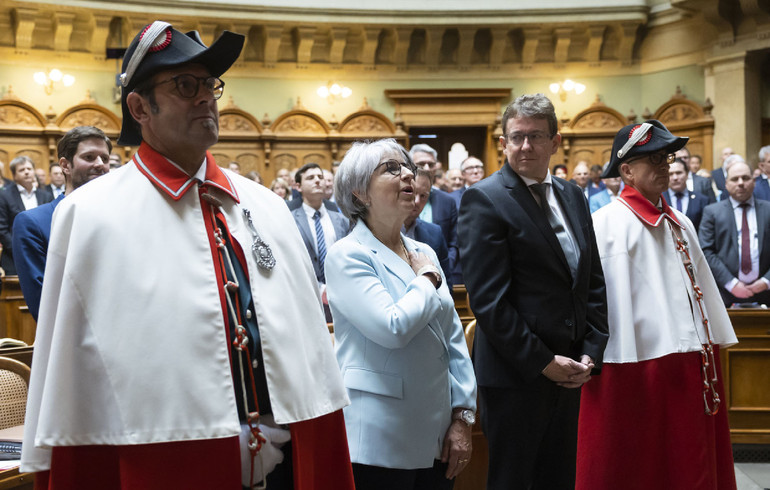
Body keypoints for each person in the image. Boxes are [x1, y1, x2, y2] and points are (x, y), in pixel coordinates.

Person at [21, 21, 353, 490]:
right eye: (184, 85)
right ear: (140, 107)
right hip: (162, 462)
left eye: (209, 85)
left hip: (287, 459)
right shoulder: (90, 215)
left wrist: (276, 426)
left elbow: (306, 350)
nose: (206, 98)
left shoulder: (267, 206)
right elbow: (80, 377)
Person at [459, 93, 608, 490]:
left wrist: (591, 351)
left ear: (555, 142)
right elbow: (490, 303)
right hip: (517, 376)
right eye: (516, 137)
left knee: (560, 479)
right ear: (504, 141)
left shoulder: (572, 195)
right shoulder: (484, 198)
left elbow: (591, 280)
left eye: (536, 137)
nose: (525, 146)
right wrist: (544, 362)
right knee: (515, 481)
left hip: (573, 370)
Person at [577, 119, 737, 490]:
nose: (665, 165)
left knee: (687, 461)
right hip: (632, 366)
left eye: (666, 157)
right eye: (653, 159)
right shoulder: (603, 224)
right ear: (627, 170)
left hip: (689, 361)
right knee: (634, 461)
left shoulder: (681, 221)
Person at [326, 138, 476, 490]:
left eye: (409, 167)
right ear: (359, 192)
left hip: (438, 431)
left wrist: (463, 416)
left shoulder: (423, 250)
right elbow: (392, 328)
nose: (408, 174)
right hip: (380, 436)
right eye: (392, 169)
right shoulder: (347, 255)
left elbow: (453, 337)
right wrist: (425, 279)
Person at [12, 126, 111, 321]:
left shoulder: (117, 216)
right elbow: (43, 305)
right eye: (89, 157)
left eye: (105, 158)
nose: (100, 164)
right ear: (65, 166)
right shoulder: (33, 222)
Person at [700, 160, 770, 306]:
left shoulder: (768, 210)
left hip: (766, 293)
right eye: (734, 179)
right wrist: (731, 284)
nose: (740, 183)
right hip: (726, 294)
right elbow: (706, 251)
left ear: (754, 181)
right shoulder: (712, 212)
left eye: (745, 178)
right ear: (726, 184)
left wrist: (766, 281)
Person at [290, 163, 350, 321]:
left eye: (320, 177)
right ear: (298, 187)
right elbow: (292, 261)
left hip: (343, 295)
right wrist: (320, 288)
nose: (317, 180)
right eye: (310, 178)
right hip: (306, 296)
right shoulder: (290, 220)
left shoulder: (341, 220)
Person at [0, 156, 53, 275]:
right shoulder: (4, 195)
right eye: (21, 170)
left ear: (34, 171)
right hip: (13, 258)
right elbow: (2, 229)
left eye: (29, 168)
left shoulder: (45, 196)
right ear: (14, 175)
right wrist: (20, 250)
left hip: (44, 257)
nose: (27, 172)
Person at [403, 168, 452, 287]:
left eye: (423, 196)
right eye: (412, 192)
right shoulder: (380, 231)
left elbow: (447, 284)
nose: (417, 201)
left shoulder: (435, 233)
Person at [662, 158, 709, 231]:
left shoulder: (701, 200)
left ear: (687, 174)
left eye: (679, 173)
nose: (675, 178)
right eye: (670, 174)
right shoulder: (658, 199)